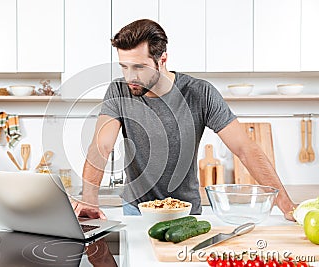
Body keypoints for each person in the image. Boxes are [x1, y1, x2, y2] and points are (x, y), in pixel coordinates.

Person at [74, 19, 296, 220]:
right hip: (136, 210)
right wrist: (89, 200)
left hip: (187, 211)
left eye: (139, 67)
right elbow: (101, 146)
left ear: (162, 60)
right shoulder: (118, 91)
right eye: (124, 67)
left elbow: (245, 149)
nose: (130, 76)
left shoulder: (199, 93)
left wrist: (286, 206)